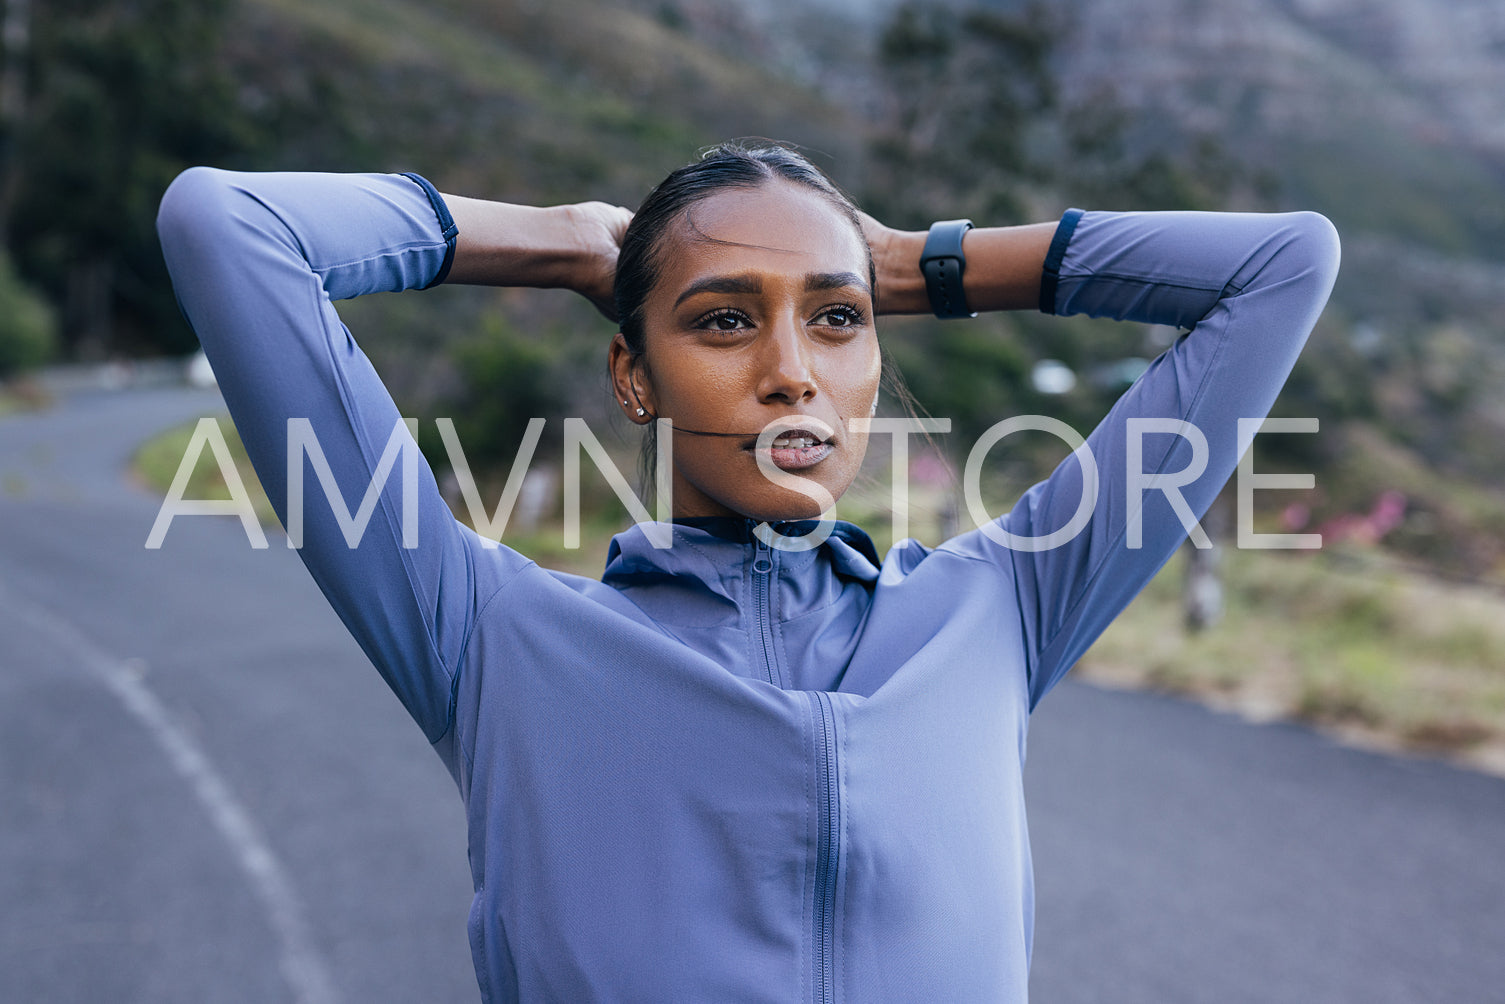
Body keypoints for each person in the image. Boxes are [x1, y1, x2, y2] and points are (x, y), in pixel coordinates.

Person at [156, 142, 1339, 1001]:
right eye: (723, 321)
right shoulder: (488, 637)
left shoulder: (1000, 605)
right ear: (632, 375)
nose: (791, 372)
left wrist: (911, 263)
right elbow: (229, 226)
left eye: (835, 321)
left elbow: (1282, 264)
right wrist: (568, 242)